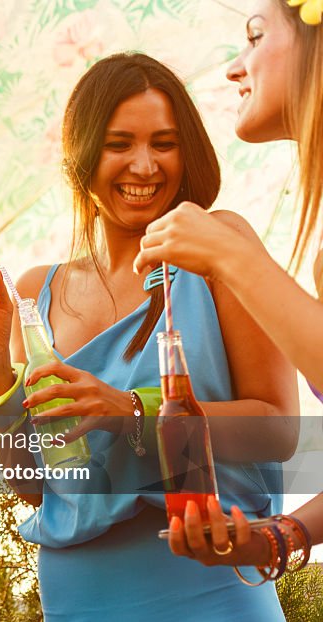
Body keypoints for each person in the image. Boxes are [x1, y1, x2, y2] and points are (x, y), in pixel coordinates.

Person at [0, 53, 298, 622]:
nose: (145, 165)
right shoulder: (38, 293)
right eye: (120, 144)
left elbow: (279, 427)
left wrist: (130, 412)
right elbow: (36, 484)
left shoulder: (217, 247)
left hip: (209, 614)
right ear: (82, 154)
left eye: (164, 144)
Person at [135, 0, 323, 579]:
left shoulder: (230, 256)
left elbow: (279, 430)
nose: (234, 68)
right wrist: (277, 537)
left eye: (256, 36)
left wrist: (228, 255)